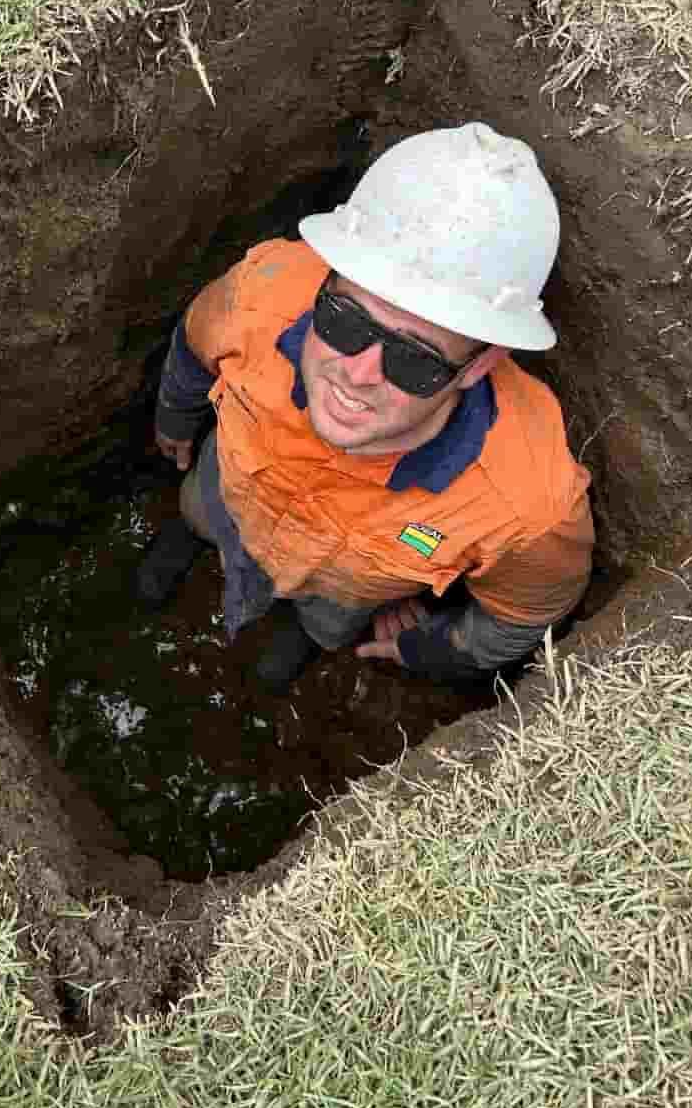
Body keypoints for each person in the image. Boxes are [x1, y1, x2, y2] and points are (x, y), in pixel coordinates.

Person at [136, 123, 595, 693]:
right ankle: (185, 543)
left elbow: (525, 614)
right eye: (344, 322)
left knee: (312, 632)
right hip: (223, 498)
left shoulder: (527, 511)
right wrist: (175, 416)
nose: (357, 374)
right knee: (198, 514)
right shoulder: (261, 296)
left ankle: (296, 645)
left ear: (477, 365)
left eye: (414, 359)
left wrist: (429, 649)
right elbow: (192, 345)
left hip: (336, 598)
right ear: (327, 282)